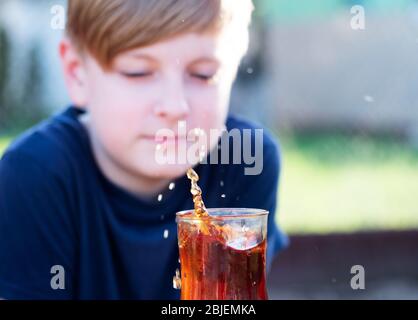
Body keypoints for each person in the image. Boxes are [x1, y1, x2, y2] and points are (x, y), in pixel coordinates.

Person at [0, 0, 288, 299]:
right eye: (138, 72)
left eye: (203, 74)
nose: (175, 107)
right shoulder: (36, 174)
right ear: (77, 74)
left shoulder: (245, 159)